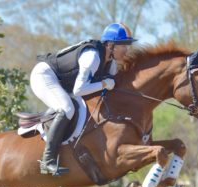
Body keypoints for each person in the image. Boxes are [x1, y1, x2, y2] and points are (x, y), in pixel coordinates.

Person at [30, 23, 137, 176]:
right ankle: (47, 160)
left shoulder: (111, 64)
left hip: (61, 82)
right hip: (44, 76)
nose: (127, 50)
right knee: (67, 108)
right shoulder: (92, 57)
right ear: (111, 45)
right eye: (123, 45)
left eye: (128, 45)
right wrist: (104, 83)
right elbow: (79, 90)